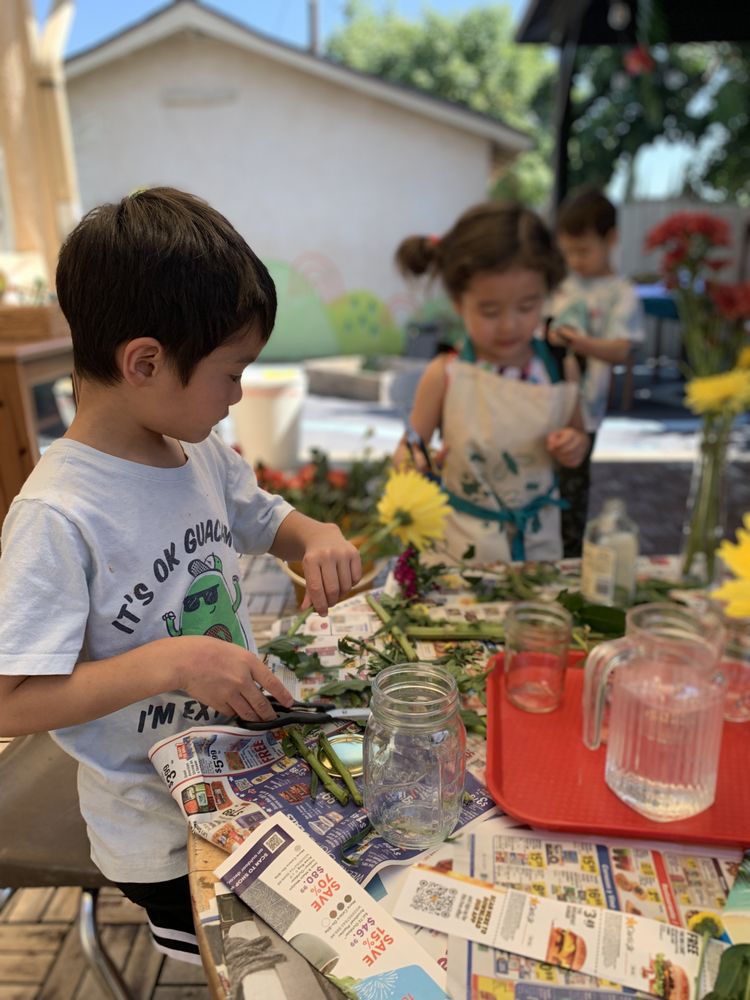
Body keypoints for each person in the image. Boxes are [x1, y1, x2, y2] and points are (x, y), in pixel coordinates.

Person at [0, 188, 361, 964]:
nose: (235, 399)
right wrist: (171, 662)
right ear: (146, 362)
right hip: (158, 829)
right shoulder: (58, 516)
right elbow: (12, 701)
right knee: (279, 969)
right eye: (231, 375)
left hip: (239, 769)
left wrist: (317, 534)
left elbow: (266, 519)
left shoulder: (195, 453)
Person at [393, 202, 590, 565]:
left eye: (527, 306)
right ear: (457, 302)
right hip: (460, 549)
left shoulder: (558, 370)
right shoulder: (445, 374)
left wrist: (573, 446)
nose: (509, 325)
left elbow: (577, 436)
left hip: (537, 545)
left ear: (546, 294)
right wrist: (412, 461)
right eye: (489, 310)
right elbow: (409, 447)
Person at [548, 185, 646, 556]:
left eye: (584, 250)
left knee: (571, 494)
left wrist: (577, 343)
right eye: (568, 251)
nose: (575, 260)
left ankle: (567, 565)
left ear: (612, 239)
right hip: (544, 403)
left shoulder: (622, 293)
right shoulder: (558, 286)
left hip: (585, 412)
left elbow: (621, 350)